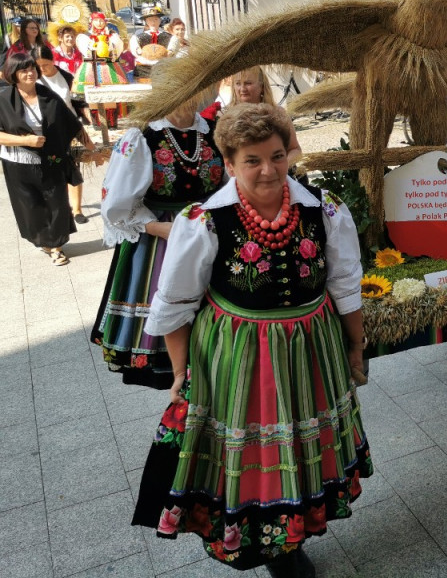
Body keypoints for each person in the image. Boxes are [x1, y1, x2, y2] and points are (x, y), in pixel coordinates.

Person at [131, 102, 371, 576]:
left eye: (277, 156)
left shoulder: (323, 209)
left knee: (297, 447)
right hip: (239, 353)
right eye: (253, 160)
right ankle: (260, 542)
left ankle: (289, 537)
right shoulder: (202, 222)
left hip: (310, 346)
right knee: (253, 449)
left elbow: (345, 282)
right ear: (229, 163)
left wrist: (356, 346)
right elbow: (175, 302)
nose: (269, 170)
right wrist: (181, 373)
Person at [90, 67, 225, 388]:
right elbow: (117, 205)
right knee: (169, 300)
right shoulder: (142, 137)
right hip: (163, 236)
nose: (187, 98)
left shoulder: (214, 130)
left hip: (211, 231)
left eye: (192, 89)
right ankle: (177, 374)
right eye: (179, 90)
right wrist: (157, 228)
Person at [0, 52, 89, 266]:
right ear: (14, 74)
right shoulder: (3, 100)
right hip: (18, 163)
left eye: (32, 69)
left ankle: (56, 246)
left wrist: (91, 146)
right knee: (32, 206)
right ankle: (44, 241)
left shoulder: (47, 95)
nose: (30, 73)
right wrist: (27, 141)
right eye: (24, 70)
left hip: (51, 159)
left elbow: (70, 122)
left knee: (57, 202)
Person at [36, 45, 93, 224]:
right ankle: (60, 206)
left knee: (73, 167)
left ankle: (77, 209)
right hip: (46, 131)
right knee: (53, 169)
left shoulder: (67, 77)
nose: (41, 70)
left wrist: (89, 124)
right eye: (37, 66)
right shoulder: (33, 81)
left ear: (53, 61)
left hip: (69, 128)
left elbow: (78, 103)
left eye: (45, 65)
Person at [201, 66, 302, 165]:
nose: (242, 88)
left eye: (248, 83)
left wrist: (280, 168)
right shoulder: (224, 116)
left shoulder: (278, 114)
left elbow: (295, 149)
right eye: (238, 83)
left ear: (262, 86)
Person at [74, 11, 129, 129]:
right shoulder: (85, 36)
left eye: (101, 21)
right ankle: (98, 123)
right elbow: (86, 51)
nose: (99, 23)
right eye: (96, 20)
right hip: (91, 67)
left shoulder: (113, 35)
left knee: (110, 94)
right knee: (93, 95)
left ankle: (111, 122)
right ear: (91, 22)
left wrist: (109, 47)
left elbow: (117, 51)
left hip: (109, 67)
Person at [129, 6, 175, 79]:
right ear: (146, 21)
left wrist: (168, 52)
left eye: (156, 19)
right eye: (150, 20)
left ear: (160, 21)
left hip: (163, 68)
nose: (153, 22)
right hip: (143, 68)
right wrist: (139, 51)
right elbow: (135, 48)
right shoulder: (138, 37)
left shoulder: (169, 37)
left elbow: (172, 48)